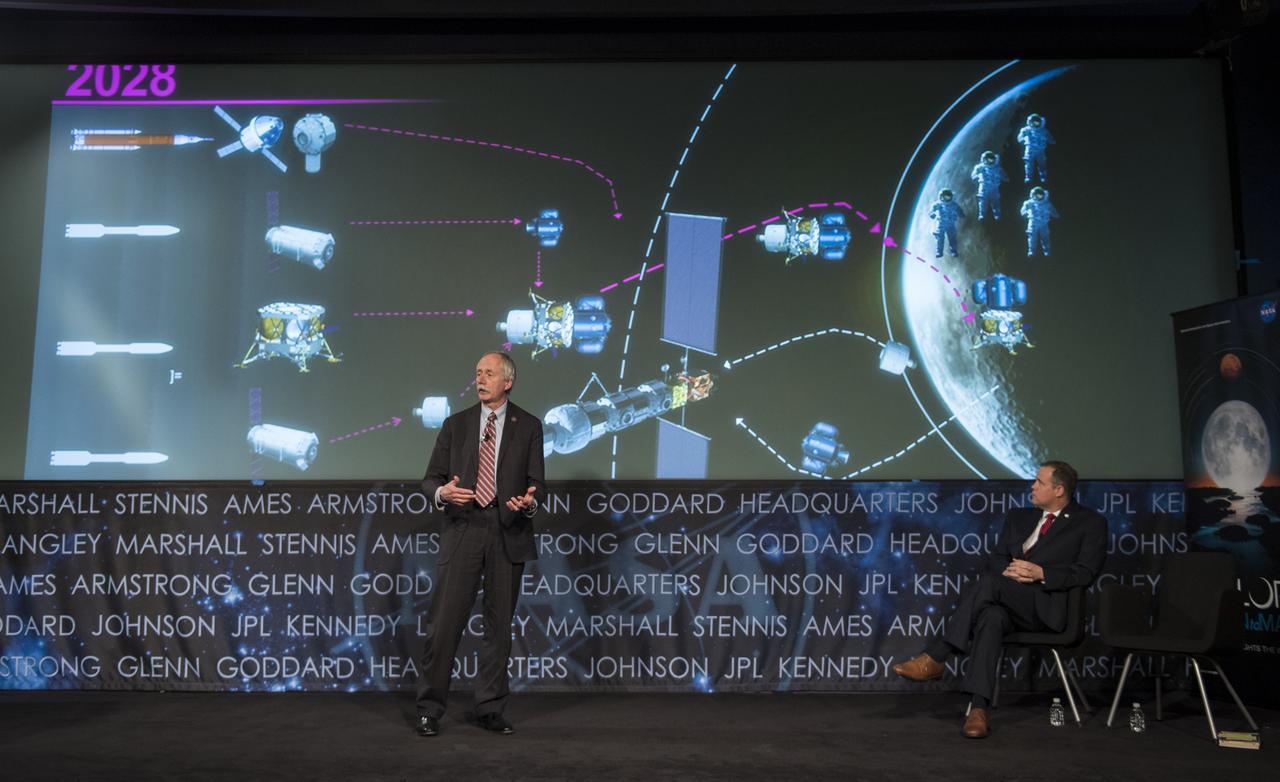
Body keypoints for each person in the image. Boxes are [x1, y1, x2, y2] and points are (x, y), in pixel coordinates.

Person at [892, 460, 1106, 738]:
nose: (1033, 485)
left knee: (990, 587)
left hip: (1047, 610)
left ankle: (938, 654)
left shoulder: (1089, 523)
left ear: (1059, 490)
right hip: (1009, 601)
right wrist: (1013, 574)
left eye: (1039, 482)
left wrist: (1042, 573)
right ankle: (978, 709)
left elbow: (1086, 573)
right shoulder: (1019, 517)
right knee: (991, 616)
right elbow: (996, 559)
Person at [415, 351, 545, 737]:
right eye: (477, 373)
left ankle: (489, 708)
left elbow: (538, 483)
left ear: (508, 381)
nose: (481, 379)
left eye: (489, 373)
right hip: (463, 529)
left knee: (498, 628)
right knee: (444, 625)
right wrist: (443, 493)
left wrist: (529, 502)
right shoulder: (456, 425)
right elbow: (430, 479)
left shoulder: (530, 426)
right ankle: (429, 709)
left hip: (508, 529)